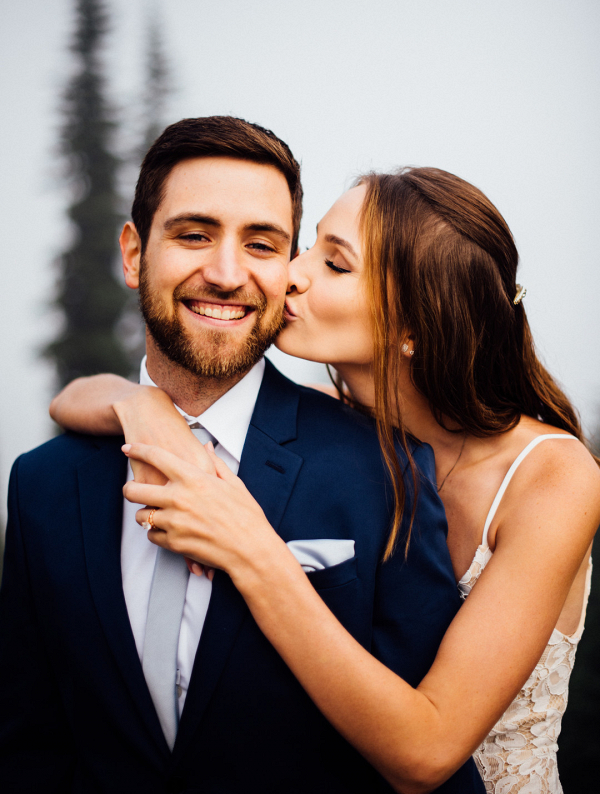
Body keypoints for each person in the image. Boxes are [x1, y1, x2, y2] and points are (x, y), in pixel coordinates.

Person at [50, 167, 600, 794]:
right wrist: (144, 409)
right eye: (309, 244)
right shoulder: (333, 433)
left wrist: (252, 551)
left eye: (335, 265)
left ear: (416, 326)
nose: (292, 271)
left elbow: (428, 751)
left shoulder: (553, 476)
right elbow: (71, 397)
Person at [0, 119, 483, 794]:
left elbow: (437, 769)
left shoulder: (384, 469)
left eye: (261, 243)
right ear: (134, 253)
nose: (226, 274)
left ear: (288, 268)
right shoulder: (41, 485)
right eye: (194, 234)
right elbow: (30, 745)